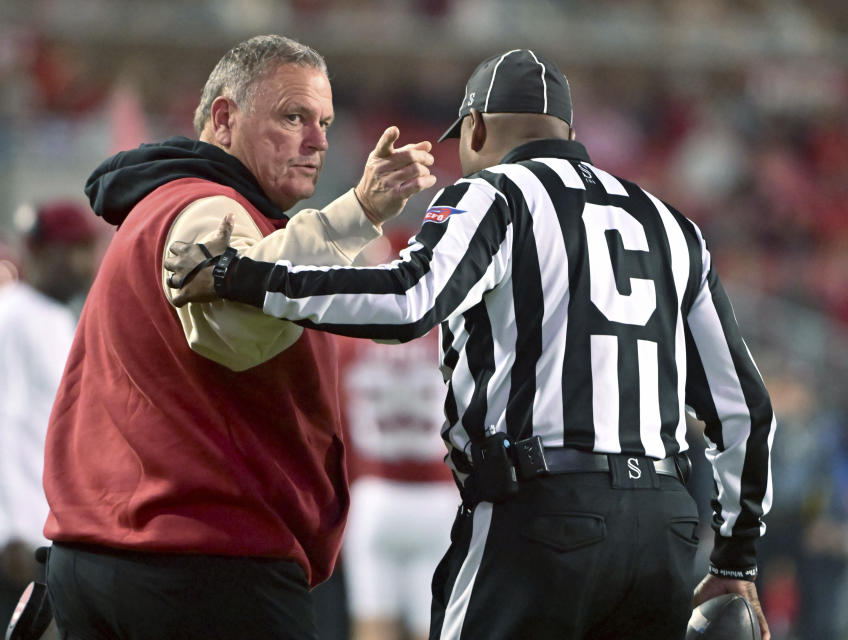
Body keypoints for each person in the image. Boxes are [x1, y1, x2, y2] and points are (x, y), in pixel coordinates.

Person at [166, 49, 775, 640]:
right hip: (662, 527)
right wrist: (735, 562)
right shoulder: (671, 223)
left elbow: (409, 300)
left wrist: (237, 275)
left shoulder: (496, 194)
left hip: (539, 512)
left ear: (476, 126)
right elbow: (744, 408)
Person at [41, 34, 436, 640]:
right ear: (224, 118)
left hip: (116, 553)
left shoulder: (166, 203)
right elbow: (235, 322)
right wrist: (356, 212)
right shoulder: (207, 208)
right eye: (293, 116)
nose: (319, 140)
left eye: (325, 121)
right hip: (201, 561)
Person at [0, 200, 98, 640]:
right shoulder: (10, 315)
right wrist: (10, 529)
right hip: (2, 537)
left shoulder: (47, 315)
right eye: (79, 250)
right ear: (46, 255)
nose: (89, 263)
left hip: (26, 530)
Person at [337, 231, 458, 640]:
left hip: (375, 495)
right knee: (436, 628)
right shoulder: (449, 332)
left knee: (374, 626)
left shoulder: (347, 335)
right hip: (441, 497)